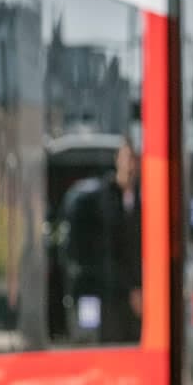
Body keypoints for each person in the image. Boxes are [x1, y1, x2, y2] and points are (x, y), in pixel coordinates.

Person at [55, 136, 142, 344]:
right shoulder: (98, 199)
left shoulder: (142, 200)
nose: (130, 166)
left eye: (134, 160)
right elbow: (100, 249)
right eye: (126, 158)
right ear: (118, 160)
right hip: (103, 289)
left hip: (130, 295)